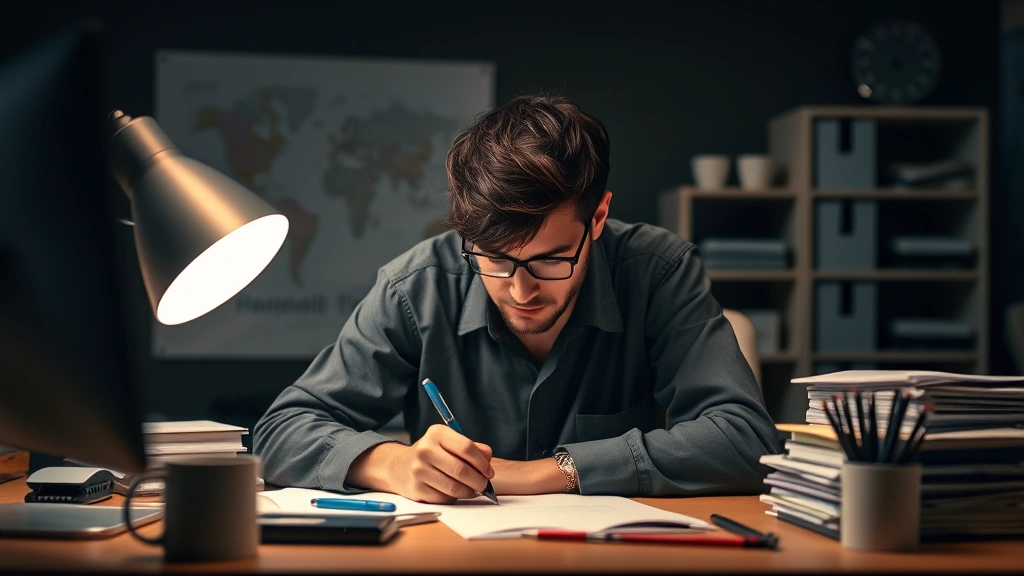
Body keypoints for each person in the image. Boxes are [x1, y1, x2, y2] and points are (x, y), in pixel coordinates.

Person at [253, 94, 776, 503]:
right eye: (495, 260)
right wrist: (389, 463)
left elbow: (746, 440)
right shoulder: (416, 286)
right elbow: (279, 431)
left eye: (550, 260)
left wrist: (543, 474)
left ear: (597, 219)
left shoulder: (658, 272)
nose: (521, 291)